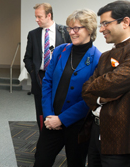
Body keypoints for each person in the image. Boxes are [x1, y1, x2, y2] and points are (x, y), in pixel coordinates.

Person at [81, 0, 130, 167]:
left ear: (125, 22)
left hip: (122, 135)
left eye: (106, 23)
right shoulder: (105, 56)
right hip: (96, 131)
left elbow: (112, 83)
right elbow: (86, 89)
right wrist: (101, 98)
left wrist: (101, 86)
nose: (101, 29)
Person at [33, 9, 101, 167]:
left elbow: (90, 98)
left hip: (77, 125)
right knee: (41, 159)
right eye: (70, 28)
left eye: (77, 28)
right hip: (52, 120)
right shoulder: (60, 51)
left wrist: (62, 120)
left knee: (75, 163)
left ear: (89, 29)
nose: (72, 32)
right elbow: (47, 82)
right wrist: (49, 115)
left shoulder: (98, 59)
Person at [23, 3, 72, 132]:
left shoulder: (64, 31)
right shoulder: (33, 34)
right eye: (35, 16)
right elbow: (27, 58)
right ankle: (43, 135)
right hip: (40, 77)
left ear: (49, 15)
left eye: (39, 17)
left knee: (59, 107)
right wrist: (33, 73)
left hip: (60, 77)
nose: (36, 20)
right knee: (41, 110)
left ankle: (59, 136)